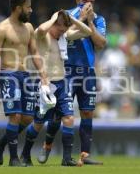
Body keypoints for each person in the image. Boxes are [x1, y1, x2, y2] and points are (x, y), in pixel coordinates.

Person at [37, 0, 107, 165]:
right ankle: (47, 146)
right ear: (77, 0)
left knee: (87, 112)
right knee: (58, 113)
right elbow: (61, 34)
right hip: (65, 70)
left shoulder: (99, 20)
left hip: (87, 71)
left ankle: (85, 154)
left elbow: (100, 43)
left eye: (91, 2)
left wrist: (89, 21)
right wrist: (81, 18)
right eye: (84, 1)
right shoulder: (65, 16)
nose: (88, 5)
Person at [20, 10, 93, 166]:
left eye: (64, 29)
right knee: (38, 124)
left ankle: (66, 159)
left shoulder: (64, 37)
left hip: (62, 84)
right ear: (53, 25)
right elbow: (40, 30)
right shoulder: (43, 37)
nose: (62, 32)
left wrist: (73, 18)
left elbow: (87, 31)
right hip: (45, 85)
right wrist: (54, 17)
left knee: (69, 118)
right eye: (60, 28)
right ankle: (25, 155)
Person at [0, 0, 48, 167]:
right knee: (15, 116)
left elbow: (35, 52)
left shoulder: (28, 27)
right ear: (17, 8)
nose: (31, 9)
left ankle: (2, 143)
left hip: (25, 75)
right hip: (9, 74)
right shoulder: (2, 29)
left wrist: (43, 75)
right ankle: (13, 159)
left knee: (28, 118)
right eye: (28, 7)